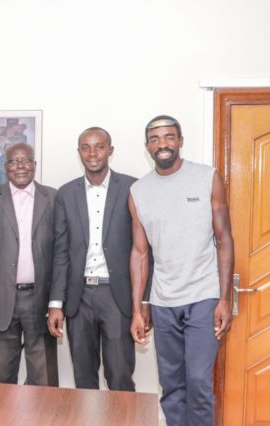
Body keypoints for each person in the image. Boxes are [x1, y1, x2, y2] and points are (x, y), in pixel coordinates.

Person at [129, 115, 234, 425]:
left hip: (203, 296)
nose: (162, 144)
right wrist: (137, 310)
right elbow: (140, 252)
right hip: (163, 302)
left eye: (169, 136)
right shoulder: (138, 191)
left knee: (199, 383)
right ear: (147, 146)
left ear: (181, 141)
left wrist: (225, 298)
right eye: (155, 139)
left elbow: (225, 239)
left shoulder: (206, 177)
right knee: (172, 386)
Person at [47, 127, 147, 391]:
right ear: (79, 152)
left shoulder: (132, 187)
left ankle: (123, 415)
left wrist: (143, 302)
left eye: (99, 146)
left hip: (117, 296)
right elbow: (61, 251)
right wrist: (56, 303)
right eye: (86, 147)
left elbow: (144, 250)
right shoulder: (66, 193)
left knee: (119, 375)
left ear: (110, 151)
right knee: (83, 377)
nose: (92, 153)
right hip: (78, 297)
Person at [0, 143, 59, 386]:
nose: (20, 166)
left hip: (41, 299)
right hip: (0, 300)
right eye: (13, 161)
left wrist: (57, 302)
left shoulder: (53, 198)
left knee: (44, 378)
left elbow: (61, 254)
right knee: (2, 377)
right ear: (5, 167)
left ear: (34, 165)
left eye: (26, 160)